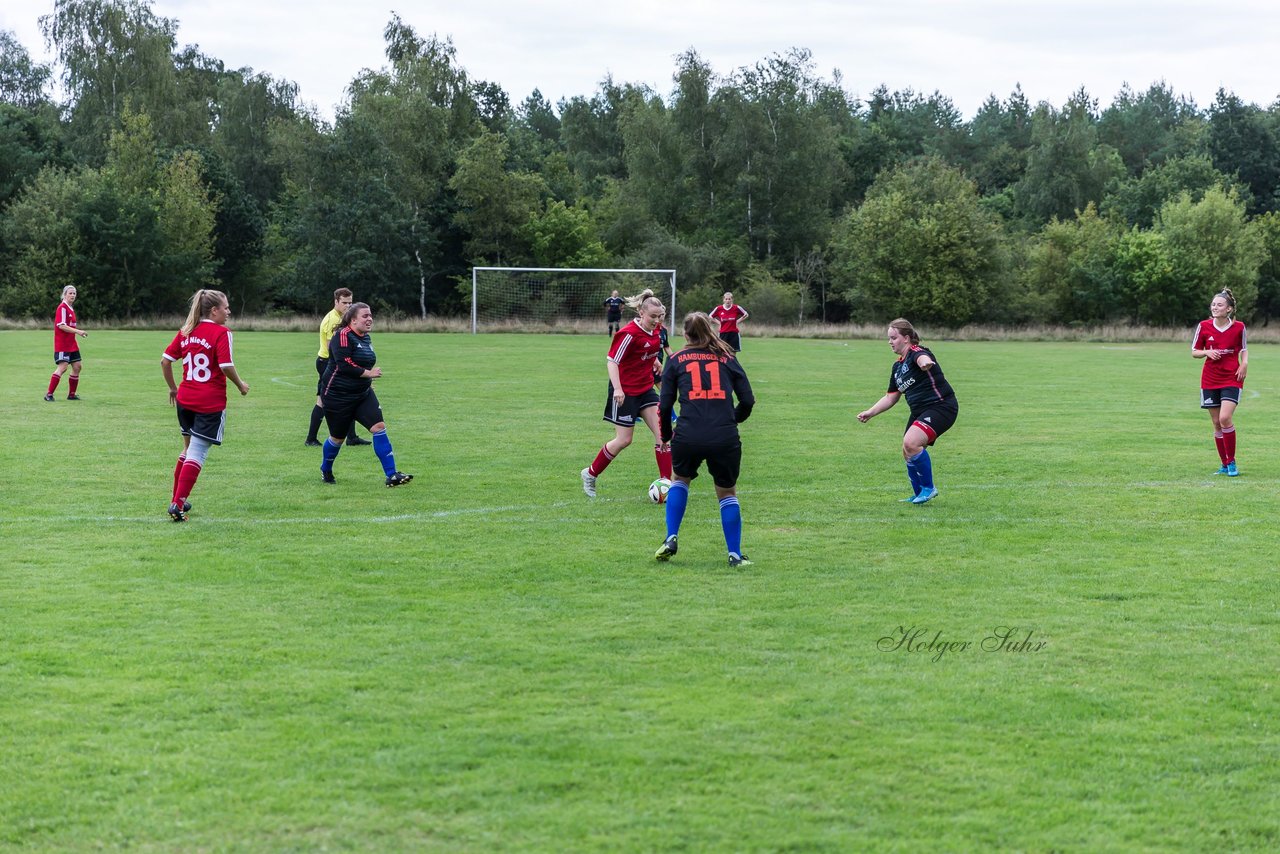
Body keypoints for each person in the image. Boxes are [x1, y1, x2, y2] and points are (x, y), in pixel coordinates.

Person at [654, 312, 755, 567]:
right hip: (724, 435)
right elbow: (748, 400)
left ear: (686, 335)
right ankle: (734, 554)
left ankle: (670, 538)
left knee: (679, 481)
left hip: (688, 434)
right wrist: (733, 420)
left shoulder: (675, 360)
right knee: (727, 493)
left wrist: (666, 435)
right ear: (709, 330)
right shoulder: (727, 357)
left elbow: (664, 406)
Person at [160, 289, 250, 522]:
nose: (229, 311)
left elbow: (165, 361)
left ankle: (175, 499)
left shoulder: (186, 331)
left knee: (187, 450)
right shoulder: (221, 332)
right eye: (226, 307)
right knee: (197, 453)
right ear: (214, 310)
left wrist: (172, 388)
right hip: (209, 402)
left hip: (185, 400)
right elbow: (226, 365)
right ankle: (178, 506)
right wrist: (240, 385)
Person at [580, 288, 672, 497]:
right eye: (652, 317)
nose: (656, 320)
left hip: (645, 389)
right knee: (624, 440)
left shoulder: (657, 329)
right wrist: (618, 389)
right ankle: (590, 474)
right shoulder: (628, 334)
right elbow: (612, 361)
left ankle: (666, 483)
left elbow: (648, 350)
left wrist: (655, 360)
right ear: (641, 313)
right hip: (625, 390)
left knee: (664, 435)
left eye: (660, 317)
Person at [856, 318, 958, 505]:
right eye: (889, 338)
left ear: (906, 338)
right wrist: (870, 412)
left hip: (941, 406)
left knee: (911, 442)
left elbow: (923, 358)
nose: (890, 342)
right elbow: (891, 397)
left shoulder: (917, 352)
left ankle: (929, 488)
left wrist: (926, 363)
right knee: (907, 450)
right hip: (920, 411)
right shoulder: (897, 368)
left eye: (893, 338)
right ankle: (919, 493)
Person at [318, 302, 413, 487]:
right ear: (353, 320)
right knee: (337, 438)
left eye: (370, 315)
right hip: (337, 396)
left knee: (379, 427)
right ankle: (326, 469)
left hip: (362, 394)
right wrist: (368, 374)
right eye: (365, 316)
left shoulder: (366, 338)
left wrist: (366, 381)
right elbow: (344, 365)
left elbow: (364, 363)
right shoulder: (343, 335)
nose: (369, 319)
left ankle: (392, 475)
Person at [1192, 288, 1248, 476]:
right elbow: (1194, 351)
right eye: (1213, 304)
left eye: (1220, 305)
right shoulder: (1204, 326)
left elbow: (1243, 349)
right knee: (1216, 423)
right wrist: (1207, 352)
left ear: (1229, 309)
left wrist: (1244, 364)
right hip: (1210, 378)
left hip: (1232, 377)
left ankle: (1232, 462)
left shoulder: (1239, 327)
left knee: (1225, 418)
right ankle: (1224, 464)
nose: (1215, 307)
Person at [305, 287, 370, 447]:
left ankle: (352, 437)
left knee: (351, 395)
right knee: (322, 400)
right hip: (328, 363)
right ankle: (311, 438)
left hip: (336, 363)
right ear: (336, 302)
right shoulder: (333, 320)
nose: (348, 306)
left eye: (350, 302)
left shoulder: (345, 318)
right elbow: (332, 349)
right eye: (344, 303)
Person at [46, 285, 89, 401]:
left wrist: (75, 338)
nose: (72, 295)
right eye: (70, 293)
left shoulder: (70, 308)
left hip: (71, 344)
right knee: (63, 367)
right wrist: (78, 331)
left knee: (77, 366)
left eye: (74, 293)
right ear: (64, 294)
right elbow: (62, 326)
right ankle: (49, 394)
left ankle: (71, 394)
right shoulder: (63, 308)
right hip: (62, 344)